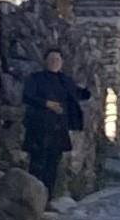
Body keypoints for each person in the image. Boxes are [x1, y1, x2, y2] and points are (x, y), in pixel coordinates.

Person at [22, 50, 90, 199]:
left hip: (58, 130)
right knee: (37, 164)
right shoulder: (36, 79)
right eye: (52, 59)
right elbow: (27, 96)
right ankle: (33, 199)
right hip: (39, 128)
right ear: (45, 61)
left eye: (57, 59)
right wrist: (47, 104)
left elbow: (78, 95)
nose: (55, 62)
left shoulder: (65, 81)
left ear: (62, 62)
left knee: (52, 166)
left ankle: (48, 198)